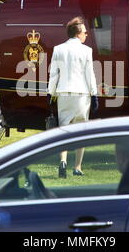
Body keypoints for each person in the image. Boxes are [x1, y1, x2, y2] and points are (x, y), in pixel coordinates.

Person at [47, 16, 98, 178]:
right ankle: (77, 166)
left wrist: (50, 93)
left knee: (64, 129)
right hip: (81, 94)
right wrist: (94, 94)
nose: (86, 35)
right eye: (84, 32)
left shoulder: (58, 49)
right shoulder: (86, 50)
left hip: (63, 93)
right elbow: (90, 75)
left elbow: (53, 74)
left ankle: (63, 160)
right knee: (80, 132)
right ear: (78, 34)